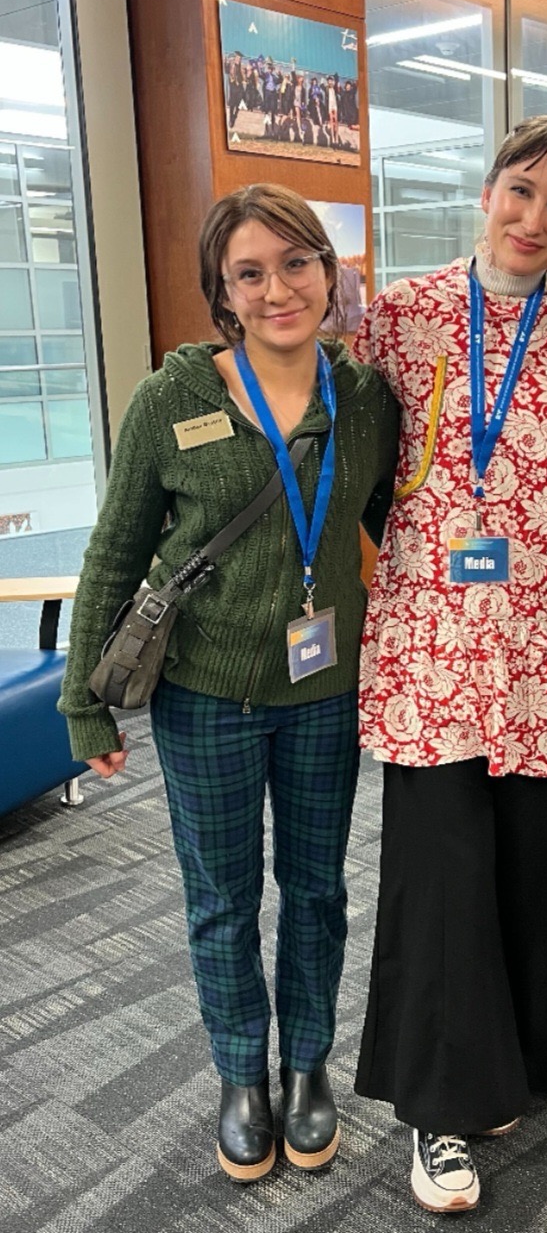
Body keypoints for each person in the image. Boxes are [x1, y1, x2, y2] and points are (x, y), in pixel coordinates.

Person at [58, 184, 399, 1183]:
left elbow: (400, 518)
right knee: (220, 900)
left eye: (296, 263)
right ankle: (239, 1077)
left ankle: (307, 1067)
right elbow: (113, 559)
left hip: (322, 692)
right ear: (222, 288)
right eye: (249, 272)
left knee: (317, 891)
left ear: (326, 271)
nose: (278, 288)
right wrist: (85, 703)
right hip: (202, 692)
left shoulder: (364, 397)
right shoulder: (175, 401)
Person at [351, 114, 547, 1214]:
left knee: (538, 872)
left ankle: (525, 1063)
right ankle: (437, 1111)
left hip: (542, 648)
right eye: (520, 190)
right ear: (485, 185)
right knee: (441, 879)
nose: (534, 220)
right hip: (432, 650)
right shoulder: (401, 317)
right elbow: (345, 460)